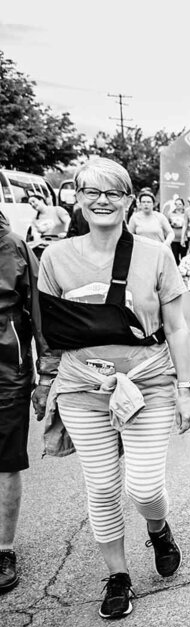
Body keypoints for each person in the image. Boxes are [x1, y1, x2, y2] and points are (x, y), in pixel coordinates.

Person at [36, 157, 190, 619]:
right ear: (77, 197)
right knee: (103, 487)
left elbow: (177, 327)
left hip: (147, 381)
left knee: (144, 488)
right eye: (92, 191)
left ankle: (159, 528)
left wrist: (186, 389)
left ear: (129, 199)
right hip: (83, 387)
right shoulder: (55, 258)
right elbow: (50, 333)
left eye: (114, 192)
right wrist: (47, 385)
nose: (102, 200)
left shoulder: (155, 254)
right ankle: (118, 577)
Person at [1, 209, 51, 595]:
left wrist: (46, 376)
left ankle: (4, 550)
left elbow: (39, 313)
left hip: (6, 374)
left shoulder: (14, 246)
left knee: (5, 463)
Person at [166, 197, 187, 263]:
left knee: (184, 256)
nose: (178, 206)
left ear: (183, 205)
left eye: (180, 204)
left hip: (183, 238)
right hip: (173, 238)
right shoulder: (170, 214)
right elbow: (167, 225)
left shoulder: (186, 214)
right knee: (175, 256)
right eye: (176, 204)